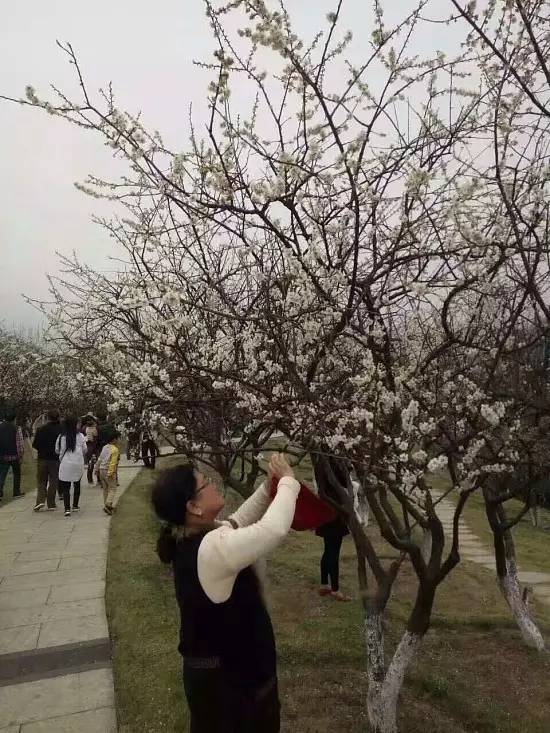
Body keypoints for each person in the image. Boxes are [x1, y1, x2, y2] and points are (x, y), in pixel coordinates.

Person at [151, 453, 300, 733]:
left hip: (214, 679)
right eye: (204, 483)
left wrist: (268, 489)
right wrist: (289, 483)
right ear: (193, 507)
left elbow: (236, 523)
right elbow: (273, 530)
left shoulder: (191, 537)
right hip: (232, 688)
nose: (211, 482)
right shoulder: (211, 549)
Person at [56, 415, 87, 517]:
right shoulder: (81, 436)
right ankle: (75, 505)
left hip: (66, 463)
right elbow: (84, 449)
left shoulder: (62, 437)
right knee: (77, 483)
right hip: (78, 463)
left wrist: (62, 458)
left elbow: (58, 450)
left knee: (66, 487)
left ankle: (67, 509)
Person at [32, 409, 62, 511]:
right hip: (55, 459)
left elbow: (34, 445)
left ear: (48, 418)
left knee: (41, 481)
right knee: (53, 481)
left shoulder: (41, 429)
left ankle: (40, 501)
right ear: (58, 417)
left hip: (42, 458)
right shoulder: (61, 430)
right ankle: (51, 503)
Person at [316, 517, 351, 602]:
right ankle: (335, 590)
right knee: (334, 554)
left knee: (328, 550)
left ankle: (324, 584)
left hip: (325, 518)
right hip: (335, 520)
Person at [0, 410, 25, 501]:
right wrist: (21, 455)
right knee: (17, 474)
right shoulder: (17, 428)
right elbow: (20, 444)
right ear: (14, 419)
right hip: (14, 455)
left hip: (2, 455)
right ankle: (16, 492)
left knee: (2, 474)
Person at [97, 432, 121, 515]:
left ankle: (107, 505)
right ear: (114, 440)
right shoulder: (115, 449)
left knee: (105, 489)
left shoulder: (104, 447)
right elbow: (113, 462)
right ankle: (108, 504)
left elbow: (100, 458)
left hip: (101, 469)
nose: (118, 440)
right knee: (113, 488)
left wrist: (96, 468)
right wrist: (110, 472)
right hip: (108, 470)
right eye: (117, 438)